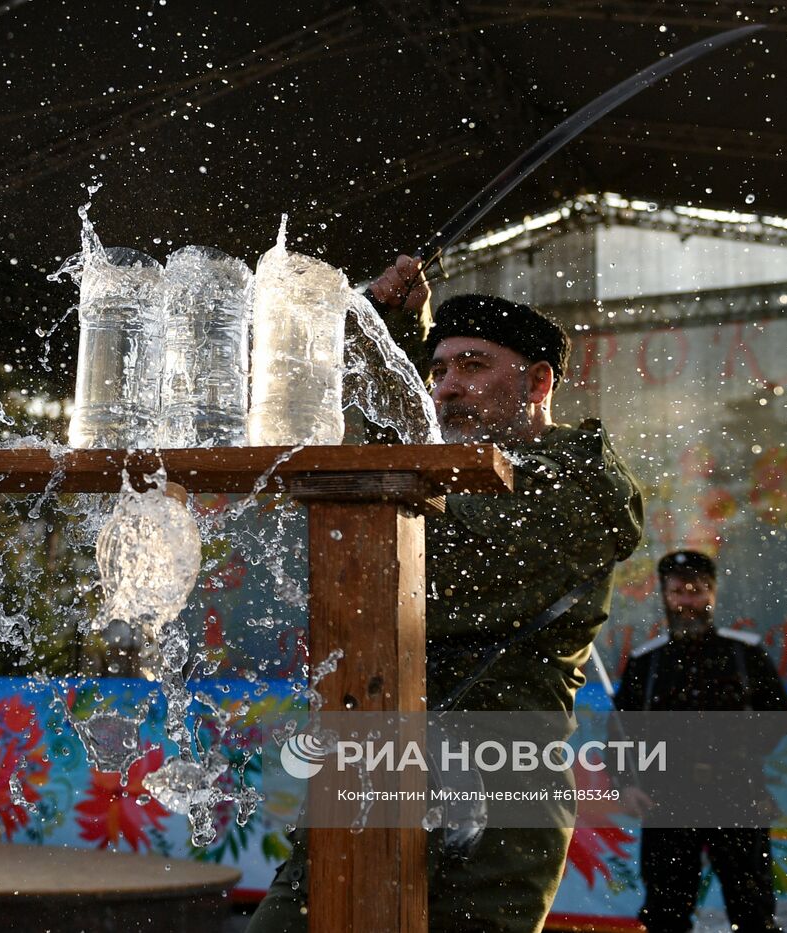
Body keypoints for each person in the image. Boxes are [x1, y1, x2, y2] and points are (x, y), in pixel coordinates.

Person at [249, 259, 645, 933]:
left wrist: (382, 350)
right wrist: (392, 331)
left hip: (493, 813)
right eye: (437, 373)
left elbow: (420, 562)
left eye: (472, 366)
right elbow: (379, 483)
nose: (447, 389)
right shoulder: (445, 473)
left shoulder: (579, 490)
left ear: (540, 381)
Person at [614, 550, 787, 933]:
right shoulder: (647, 663)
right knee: (665, 912)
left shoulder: (743, 654)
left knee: (753, 911)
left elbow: (780, 716)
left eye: (697, 591)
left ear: (713, 593)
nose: (687, 601)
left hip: (738, 795)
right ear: (664, 595)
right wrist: (628, 784)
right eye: (678, 591)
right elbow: (620, 732)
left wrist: (739, 756)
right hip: (668, 797)